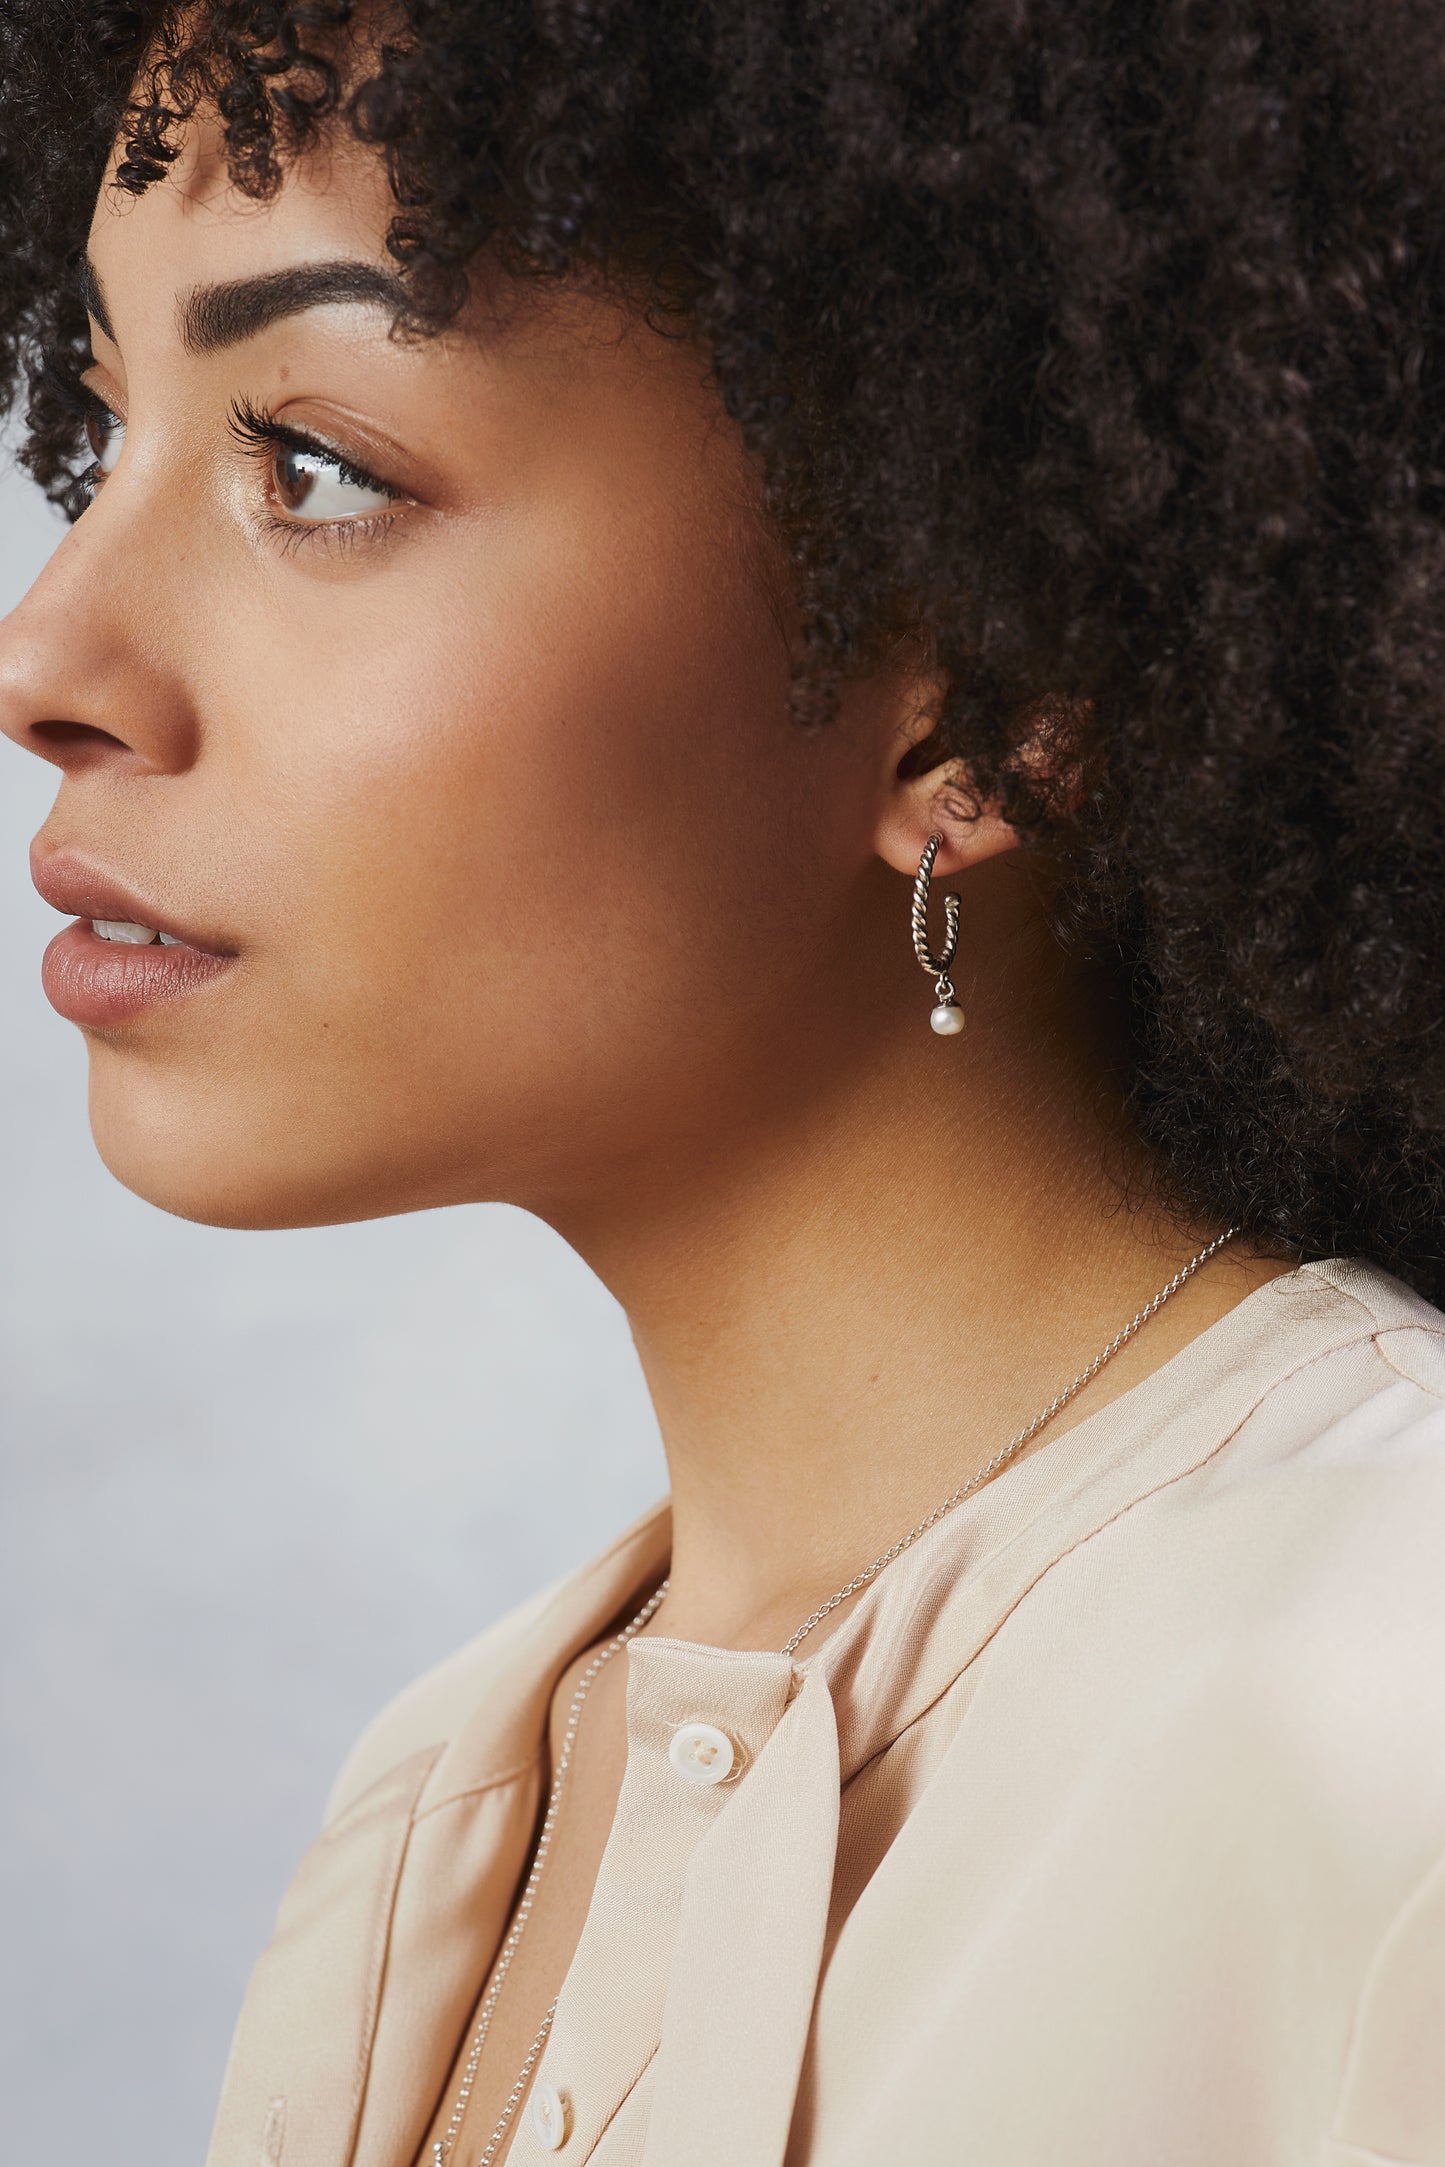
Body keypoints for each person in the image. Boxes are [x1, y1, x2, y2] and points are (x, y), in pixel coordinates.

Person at [2, 4, 1444, 2161]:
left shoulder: (1383, 1733)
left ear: (990, 703)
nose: (46, 662)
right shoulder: (446, 1806)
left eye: (318, 467)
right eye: (103, 426)